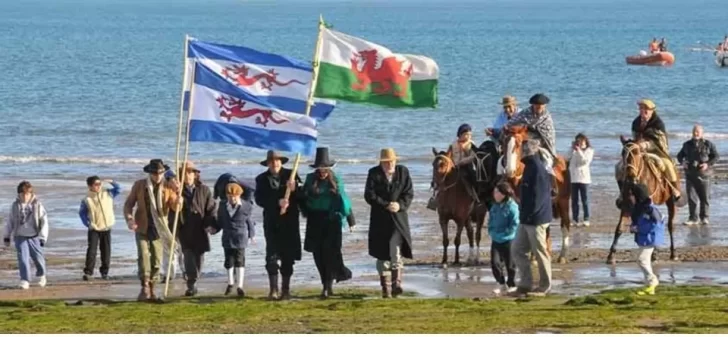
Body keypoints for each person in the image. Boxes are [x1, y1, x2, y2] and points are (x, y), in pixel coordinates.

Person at [123, 159, 181, 302]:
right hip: (142, 226)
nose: (157, 176)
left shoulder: (168, 187)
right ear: (150, 173)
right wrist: (130, 219)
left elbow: (175, 208)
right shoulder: (140, 185)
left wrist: (178, 198)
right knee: (143, 256)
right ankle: (144, 287)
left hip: (159, 228)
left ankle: (153, 287)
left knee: (156, 260)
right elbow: (129, 204)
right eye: (154, 173)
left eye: (160, 173)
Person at [302, 147, 354, 299]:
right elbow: (303, 198)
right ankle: (325, 283)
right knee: (318, 254)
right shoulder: (310, 179)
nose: (323, 171)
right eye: (320, 168)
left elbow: (344, 199)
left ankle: (328, 286)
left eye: (325, 168)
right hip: (314, 220)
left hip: (332, 220)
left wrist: (351, 220)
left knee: (330, 253)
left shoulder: (336, 179)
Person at [364, 148, 414, 299]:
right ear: (381, 162)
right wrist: (385, 204)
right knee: (382, 255)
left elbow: (409, 193)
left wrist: (400, 205)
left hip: (398, 219)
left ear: (396, 160)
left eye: (391, 161)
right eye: (386, 162)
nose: (389, 164)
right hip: (380, 220)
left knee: (396, 251)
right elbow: (369, 195)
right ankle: (385, 288)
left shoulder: (403, 172)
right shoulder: (373, 173)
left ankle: (396, 284)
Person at [254, 150, 304, 300]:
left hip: (290, 222)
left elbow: (302, 198)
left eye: (277, 160)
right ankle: (273, 290)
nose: (275, 163)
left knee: (288, 256)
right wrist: (277, 202)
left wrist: (295, 190)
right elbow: (259, 199)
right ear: (268, 163)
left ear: (281, 161)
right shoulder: (261, 179)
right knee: (272, 256)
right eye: (271, 161)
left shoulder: (292, 175)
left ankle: (286, 290)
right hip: (271, 221)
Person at [168, 162, 217, 296]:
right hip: (185, 228)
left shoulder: (204, 190)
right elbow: (170, 209)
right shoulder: (177, 191)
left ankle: (194, 278)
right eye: (184, 173)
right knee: (188, 255)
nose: (188, 175)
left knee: (199, 258)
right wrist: (176, 203)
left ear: (195, 174)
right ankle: (191, 283)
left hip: (200, 228)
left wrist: (210, 224)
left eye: (190, 172)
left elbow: (211, 209)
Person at [511, 141, 552, 296]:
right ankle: (526, 283)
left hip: (536, 219)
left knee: (540, 252)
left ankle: (544, 286)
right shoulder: (529, 167)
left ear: (527, 151)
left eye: (521, 149)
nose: (520, 152)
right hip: (526, 218)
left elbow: (539, 197)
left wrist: (529, 214)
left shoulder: (537, 169)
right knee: (517, 249)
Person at [622, 99, 681, 201]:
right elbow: (636, 138)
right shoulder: (636, 122)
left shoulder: (658, 123)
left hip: (657, 151)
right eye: (641, 108)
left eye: (646, 109)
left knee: (668, 165)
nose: (643, 111)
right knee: (623, 166)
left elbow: (660, 143)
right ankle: (624, 193)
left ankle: (675, 191)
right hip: (639, 151)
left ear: (652, 110)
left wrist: (647, 145)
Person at [207, 183, 255, 297]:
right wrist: (214, 229)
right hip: (227, 236)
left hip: (240, 237)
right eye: (229, 196)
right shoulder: (223, 206)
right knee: (228, 261)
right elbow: (220, 222)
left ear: (239, 195)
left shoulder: (246, 206)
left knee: (240, 260)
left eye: (234, 196)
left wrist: (251, 235)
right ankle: (230, 283)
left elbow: (249, 222)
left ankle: (240, 286)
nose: (232, 198)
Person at [3, 181, 49, 290]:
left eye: (27, 194)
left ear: (31, 194)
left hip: (34, 236)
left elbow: (44, 221)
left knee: (38, 258)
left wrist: (43, 237)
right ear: (18, 194)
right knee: (23, 258)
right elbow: (10, 221)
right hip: (20, 236)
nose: (25, 196)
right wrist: (6, 236)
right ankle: (25, 279)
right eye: (22, 194)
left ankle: (41, 275)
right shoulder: (15, 206)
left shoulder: (37, 205)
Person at [79, 176, 121, 281]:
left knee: (106, 251)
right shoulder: (86, 198)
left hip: (107, 227)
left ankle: (104, 272)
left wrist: (111, 181)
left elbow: (119, 189)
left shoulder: (108, 193)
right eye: (96, 184)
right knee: (92, 251)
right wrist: (88, 224)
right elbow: (82, 213)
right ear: (90, 186)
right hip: (94, 228)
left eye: (99, 184)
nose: (98, 186)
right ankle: (88, 272)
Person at [677, 124, 719, 226]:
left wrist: (707, 164)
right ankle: (693, 218)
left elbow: (716, 156)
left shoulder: (708, 144)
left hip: (704, 175)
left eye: (698, 132)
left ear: (702, 133)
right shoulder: (687, 144)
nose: (696, 133)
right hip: (690, 175)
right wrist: (683, 163)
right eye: (694, 131)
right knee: (691, 197)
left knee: (704, 197)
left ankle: (704, 218)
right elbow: (679, 156)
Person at [628, 183, 664, 296]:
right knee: (646, 261)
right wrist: (633, 227)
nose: (630, 197)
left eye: (632, 195)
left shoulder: (650, 209)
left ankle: (653, 281)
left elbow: (658, 223)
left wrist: (639, 228)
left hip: (650, 238)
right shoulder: (637, 209)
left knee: (641, 260)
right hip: (643, 238)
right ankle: (650, 288)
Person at [488, 182, 519, 295]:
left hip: (509, 239)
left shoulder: (512, 207)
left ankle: (511, 284)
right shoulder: (494, 206)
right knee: (494, 262)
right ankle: (501, 283)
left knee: (510, 264)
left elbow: (515, 223)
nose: (494, 194)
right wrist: (491, 231)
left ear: (503, 194)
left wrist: (506, 234)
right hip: (496, 239)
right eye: (494, 192)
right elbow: (490, 220)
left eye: (497, 192)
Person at [446, 123, 480, 203]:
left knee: (472, 178)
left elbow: (473, 156)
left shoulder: (471, 144)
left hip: (466, 166)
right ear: (460, 134)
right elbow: (449, 155)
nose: (469, 136)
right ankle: (437, 197)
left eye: (470, 135)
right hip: (454, 166)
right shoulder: (453, 144)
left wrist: (463, 161)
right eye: (466, 134)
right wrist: (451, 163)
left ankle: (475, 196)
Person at [568, 133, 594, 227]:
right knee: (574, 200)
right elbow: (568, 158)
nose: (580, 142)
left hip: (584, 179)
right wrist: (572, 149)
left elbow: (584, 161)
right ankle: (575, 219)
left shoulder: (589, 150)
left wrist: (579, 150)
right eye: (578, 140)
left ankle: (586, 219)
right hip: (573, 178)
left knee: (585, 200)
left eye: (581, 140)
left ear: (585, 141)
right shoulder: (574, 150)